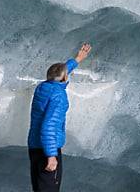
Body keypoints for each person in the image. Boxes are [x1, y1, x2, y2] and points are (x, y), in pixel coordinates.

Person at [27, 43, 92, 192]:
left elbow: (60, 72)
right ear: (64, 78)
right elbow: (48, 126)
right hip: (47, 149)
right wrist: (51, 156)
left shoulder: (43, 87)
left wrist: (77, 59)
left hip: (35, 146)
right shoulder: (59, 96)